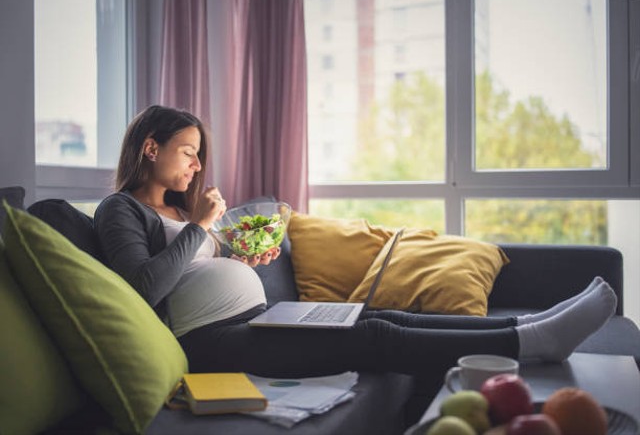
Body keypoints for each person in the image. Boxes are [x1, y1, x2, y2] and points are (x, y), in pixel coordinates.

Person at [94, 105, 617, 378]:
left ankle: (527, 323)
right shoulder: (120, 208)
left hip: (253, 318)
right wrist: (202, 228)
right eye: (188, 151)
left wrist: (243, 257)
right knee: (376, 341)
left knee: (379, 317)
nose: (198, 164)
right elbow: (143, 287)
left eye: (199, 153)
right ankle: (530, 346)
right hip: (212, 343)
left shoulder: (178, 213)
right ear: (150, 147)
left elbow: (191, 269)